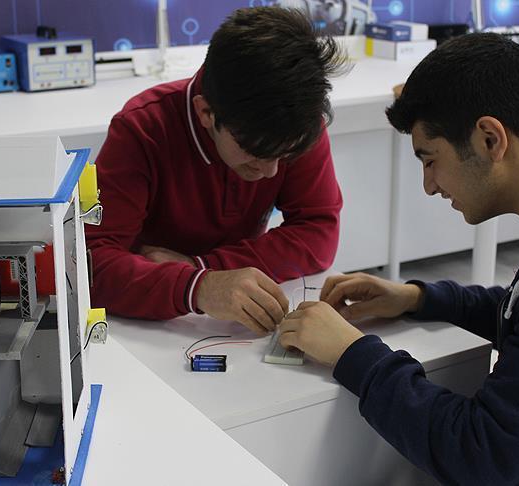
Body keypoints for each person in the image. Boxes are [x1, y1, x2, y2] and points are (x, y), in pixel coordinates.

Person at [279, 33, 519, 485]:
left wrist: (352, 353)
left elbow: (478, 455)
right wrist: (419, 298)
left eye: (430, 159)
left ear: (490, 138)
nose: (428, 185)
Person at [86, 7, 348, 334]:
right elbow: (91, 264)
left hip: (229, 321)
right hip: (146, 325)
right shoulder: (142, 129)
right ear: (205, 112)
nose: (270, 172)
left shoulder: (295, 124)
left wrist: (204, 270)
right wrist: (198, 287)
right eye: (255, 153)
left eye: (285, 156)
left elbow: (319, 230)